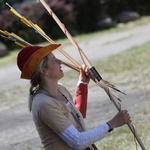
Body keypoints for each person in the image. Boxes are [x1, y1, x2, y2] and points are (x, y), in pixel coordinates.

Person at [17, 44, 131, 150]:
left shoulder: (60, 89)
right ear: (43, 71)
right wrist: (112, 124)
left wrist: (83, 85)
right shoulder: (44, 103)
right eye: (54, 60)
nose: (60, 61)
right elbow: (77, 141)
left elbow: (76, 119)